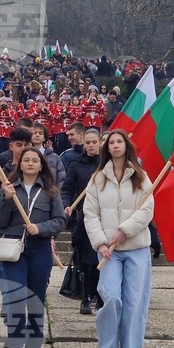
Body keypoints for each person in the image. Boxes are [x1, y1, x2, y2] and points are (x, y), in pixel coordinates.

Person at [83, 128, 154, 348]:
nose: (115, 146)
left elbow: (147, 211)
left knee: (135, 304)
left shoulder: (141, 177)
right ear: (106, 148)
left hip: (136, 248)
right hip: (108, 252)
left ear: (126, 146)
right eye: (111, 142)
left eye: (119, 142)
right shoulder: (97, 179)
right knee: (111, 298)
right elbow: (90, 214)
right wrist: (101, 242)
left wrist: (125, 230)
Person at [0, 147, 67, 348]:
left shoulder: (50, 192)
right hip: (13, 248)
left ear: (41, 164)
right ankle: (16, 344)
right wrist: (6, 199)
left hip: (39, 249)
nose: (31, 163)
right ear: (20, 164)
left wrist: (42, 228)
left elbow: (60, 221)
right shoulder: (7, 189)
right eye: (26, 160)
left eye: (35, 160)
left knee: (35, 298)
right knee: (15, 294)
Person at [62, 127, 102, 314]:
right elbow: (68, 188)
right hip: (84, 217)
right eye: (88, 142)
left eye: (94, 142)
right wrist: (66, 204)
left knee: (101, 260)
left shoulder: (107, 165)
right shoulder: (76, 163)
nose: (91, 145)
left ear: (101, 143)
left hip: (105, 218)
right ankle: (84, 298)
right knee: (84, 261)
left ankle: (100, 297)